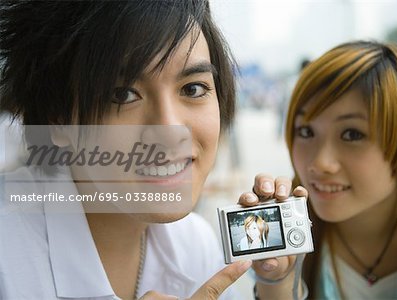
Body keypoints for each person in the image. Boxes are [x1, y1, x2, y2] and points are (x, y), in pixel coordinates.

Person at [0, 1, 252, 299]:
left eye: (192, 89)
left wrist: (280, 288)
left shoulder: (197, 243)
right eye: (123, 95)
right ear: (59, 118)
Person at [239, 41, 397, 299]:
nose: (321, 163)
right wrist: (275, 279)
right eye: (306, 131)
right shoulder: (291, 236)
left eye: (352, 134)